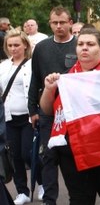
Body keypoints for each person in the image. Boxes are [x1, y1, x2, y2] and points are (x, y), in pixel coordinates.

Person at [39, 27, 100, 204]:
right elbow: (47, 110)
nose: (84, 48)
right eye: (80, 44)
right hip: (72, 152)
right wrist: (49, 89)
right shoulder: (66, 77)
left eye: (90, 44)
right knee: (79, 200)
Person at [28, 6, 76, 205]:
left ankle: (77, 196)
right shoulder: (41, 47)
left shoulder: (79, 46)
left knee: (72, 156)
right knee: (48, 156)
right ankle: (49, 199)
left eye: (62, 22)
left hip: (73, 110)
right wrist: (32, 109)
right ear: (49, 24)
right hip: (48, 110)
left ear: (70, 23)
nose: (58, 26)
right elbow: (35, 80)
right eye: (54, 23)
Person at [1, 30, 39, 205]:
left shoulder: (32, 65)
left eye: (16, 45)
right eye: (10, 45)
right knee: (14, 155)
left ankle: (42, 183)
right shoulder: (3, 66)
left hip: (28, 116)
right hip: (9, 118)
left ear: (25, 45)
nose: (13, 48)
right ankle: (21, 192)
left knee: (27, 153)